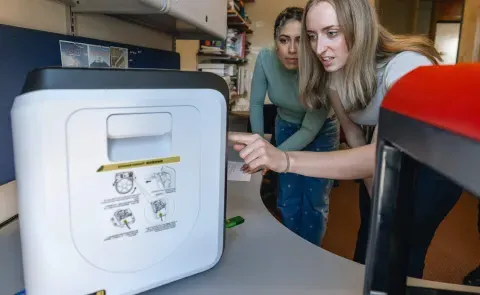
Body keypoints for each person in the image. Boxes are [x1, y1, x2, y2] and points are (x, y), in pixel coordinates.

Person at [229, 0, 463, 281]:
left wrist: (284, 159)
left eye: (331, 33)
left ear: (359, 28)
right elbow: (353, 135)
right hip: (383, 148)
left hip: (435, 165)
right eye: (313, 36)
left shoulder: (407, 66)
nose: (317, 48)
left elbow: (382, 156)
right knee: (371, 234)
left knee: (404, 248)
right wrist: (375, 195)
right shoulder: (334, 72)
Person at [247, 6, 339, 246]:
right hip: (286, 125)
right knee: (287, 196)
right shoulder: (266, 58)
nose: (292, 50)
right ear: (275, 42)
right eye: (284, 40)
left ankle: (310, 254)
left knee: (314, 199)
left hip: (321, 131)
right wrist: (259, 145)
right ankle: (290, 249)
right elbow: (256, 102)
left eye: (300, 41)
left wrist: (272, 156)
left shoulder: (321, 66)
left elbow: (310, 129)